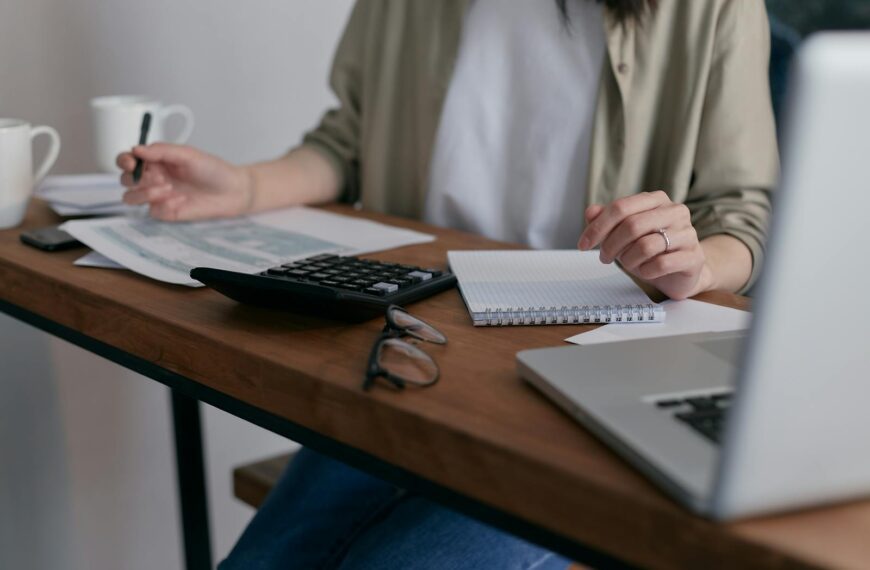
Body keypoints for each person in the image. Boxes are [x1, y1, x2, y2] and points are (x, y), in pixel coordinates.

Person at [117, 0, 778, 567]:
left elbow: (741, 215)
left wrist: (694, 264)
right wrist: (246, 186)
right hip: (413, 352)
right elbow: (348, 142)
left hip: (589, 380)